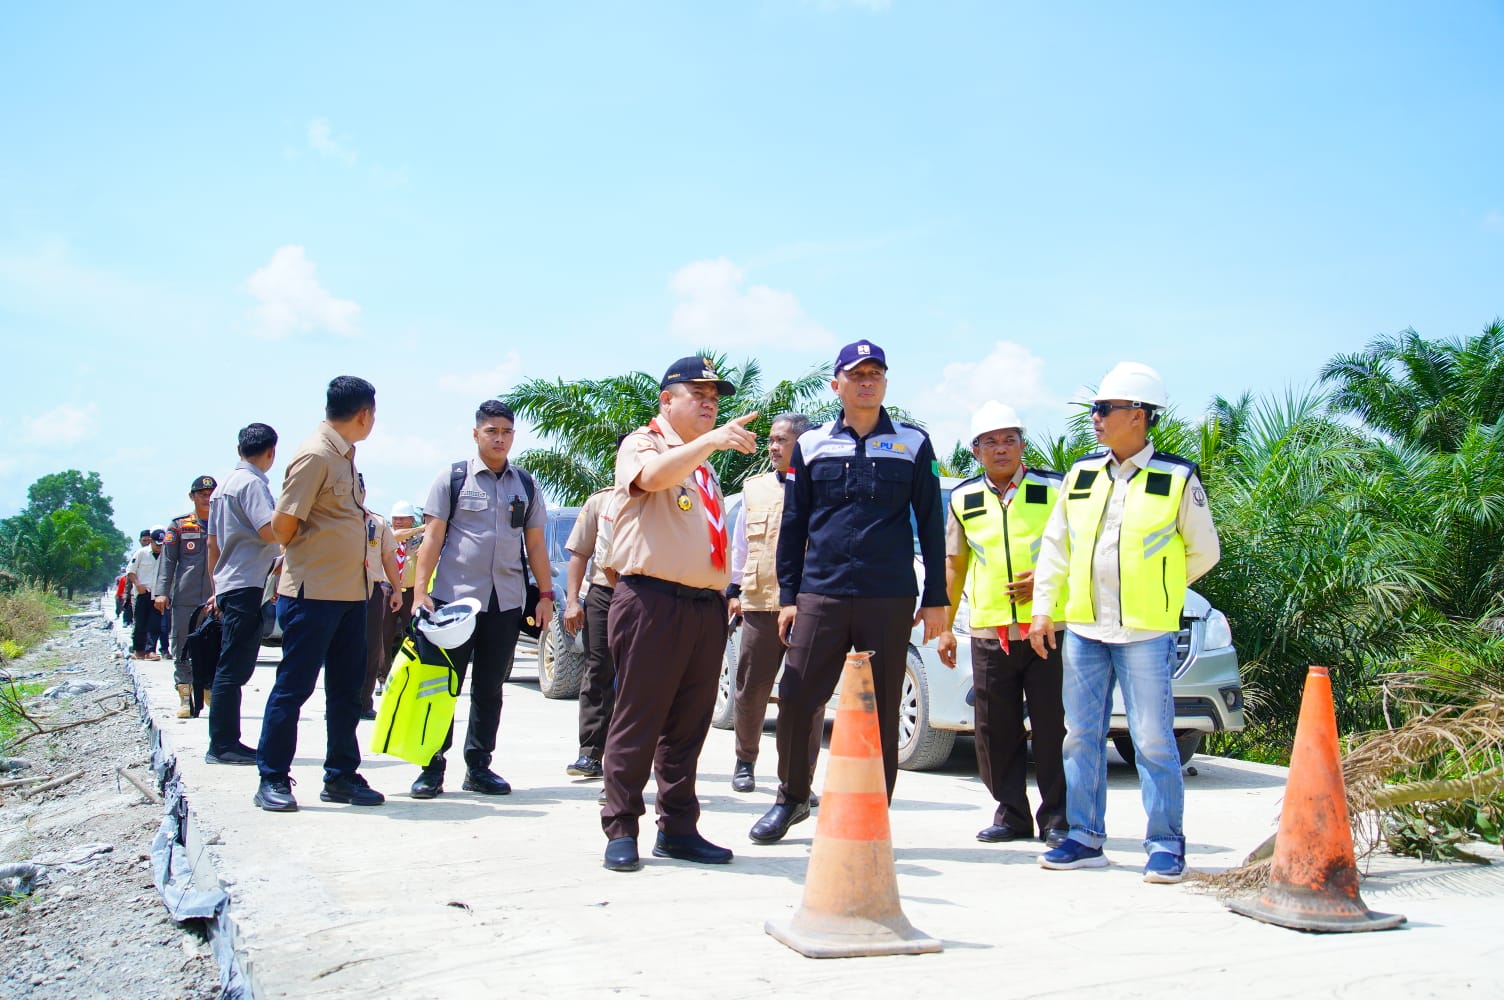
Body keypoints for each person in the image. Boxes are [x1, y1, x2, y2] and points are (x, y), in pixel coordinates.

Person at [749, 340, 948, 845]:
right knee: (796, 695)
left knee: (880, 704)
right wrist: (789, 597)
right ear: (836, 384)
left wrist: (937, 599)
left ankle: (873, 813)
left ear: (885, 382)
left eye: (875, 373)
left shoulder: (913, 443)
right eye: (856, 374)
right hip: (823, 593)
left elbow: (931, 522)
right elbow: (794, 525)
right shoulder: (811, 445)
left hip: (889, 594)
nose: (866, 381)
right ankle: (791, 798)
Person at [1030, 362, 1220, 884]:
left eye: (1103, 409)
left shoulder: (1176, 478)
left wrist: (1159, 586)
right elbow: (1056, 548)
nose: (1094, 418)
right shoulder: (1081, 474)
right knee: (1080, 735)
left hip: (1145, 629)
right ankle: (1085, 837)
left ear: (1137, 416)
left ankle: (1165, 843)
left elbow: (1203, 551)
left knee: (1153, 739)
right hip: (1085, 629)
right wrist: (1045, 608)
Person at [598, 356, 757, 872]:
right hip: (651, 601)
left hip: (703, 608)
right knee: (638, 719)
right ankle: (621, 827)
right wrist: (707, 443)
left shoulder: (702, 467)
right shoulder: (645, 444)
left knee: (689, 726)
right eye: (698, 393)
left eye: (716, 395)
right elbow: (650, 480)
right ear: (667, 400)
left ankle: (679, 828)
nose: (711, 402)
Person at [936, 401, 1068, 847]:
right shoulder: (964, 498)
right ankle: (1011, 814)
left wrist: (1048, 582)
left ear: (1022, 444)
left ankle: (1057, 817)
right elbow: (954, 564)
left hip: (1048, 628)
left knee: (1053, 726)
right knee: (994, 730)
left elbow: (1080, 548)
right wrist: (945, 628)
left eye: (1009, 439)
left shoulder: (1055, 488)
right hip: (990, 631)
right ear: (975, 451)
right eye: (990, 441)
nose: (1001, 448)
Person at [407, 399, 553, 799]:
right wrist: (420, 593)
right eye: (492, 431)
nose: (499, 438)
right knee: (442, 686)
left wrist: (545, 595)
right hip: (454, 603)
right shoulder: (452, 478)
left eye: (506, 431)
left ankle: (478, 767)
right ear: (476, 434)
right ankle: (431, 767)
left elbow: (536, 545)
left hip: (503, 604)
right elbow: (432, 538)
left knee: (490, 688)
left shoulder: (524, 484)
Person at [255, 375, 386, 813]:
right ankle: (273, 777)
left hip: (350, 593)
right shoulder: (315, 455)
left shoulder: (345, 455)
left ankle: (341, 776)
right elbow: (283, 526)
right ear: (364, 414)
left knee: (347, 691)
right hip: (312, 594)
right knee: (294, 688)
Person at [724, 412, 819, 795]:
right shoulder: (755, 489)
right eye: (771, 440)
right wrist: (734, 591)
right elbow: (741, 545)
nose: (773, 447)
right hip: (761, 603)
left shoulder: (821, 488)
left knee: (805, 697)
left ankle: (798, 778)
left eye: (782, 440)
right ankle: (745, 760)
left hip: (807, 607)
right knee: (751, 688)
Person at [204, 423, 281, 766]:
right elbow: (269, 531)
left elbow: (212, 543)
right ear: (270, 453)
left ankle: (226, 740)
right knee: (233, 668)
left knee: (231, 666)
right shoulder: (251, 484)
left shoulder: (224, 487)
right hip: (246, 583)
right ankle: (222, 745)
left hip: (231, 581)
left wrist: (216, 585)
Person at [562, 486, 619, 779]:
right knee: (597, 671)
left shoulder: (661, 497)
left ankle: (630, 755)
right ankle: (590, 753)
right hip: (604, 595)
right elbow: (580, 553)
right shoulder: (600, 501)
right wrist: (572, 601)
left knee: (643, 677)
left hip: (649, 594)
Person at [156, 476, 217, 717]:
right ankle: (184, 696)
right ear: (192, 496)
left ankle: (208, 691)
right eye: (201, 493)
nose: (207, 496)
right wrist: (161, 592)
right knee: (182, 646)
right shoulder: (179, 525)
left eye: (211, 492)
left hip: (214, 597)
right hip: (185, 596)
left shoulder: (223, 524)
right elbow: (168, 560)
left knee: (213, 646)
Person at [358, 507, 402, 720]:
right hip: (339, 588)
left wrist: (397, 589)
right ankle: (337, 704)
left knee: (372, 648)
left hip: (372, 588)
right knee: (338, 649)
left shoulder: (378, 522)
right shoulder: (335, 517)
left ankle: (364, 703)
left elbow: (388, 557)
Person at [385, 500, 426, 672]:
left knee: (412, 633)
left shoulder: (419, 539)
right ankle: (383, 674)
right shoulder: (388, 535)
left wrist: (424, 539)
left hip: (410, 592)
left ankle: (411, 670)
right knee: (384, 634)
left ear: (411, 519)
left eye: (402, 519)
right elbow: (397, 535)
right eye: (395, 518)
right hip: (388, 590)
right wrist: (421, 528)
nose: (398, 522)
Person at [129, 527, 165, 660]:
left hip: (158, 595)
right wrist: (138, 584)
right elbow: (131, 571)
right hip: (143, 593)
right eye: (157, 544)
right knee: (140, 623)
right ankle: (139, 650)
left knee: (155, 624)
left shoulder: (166, 555)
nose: (159, 548)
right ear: (151, 541)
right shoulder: (141, 553)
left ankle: (151, 651)